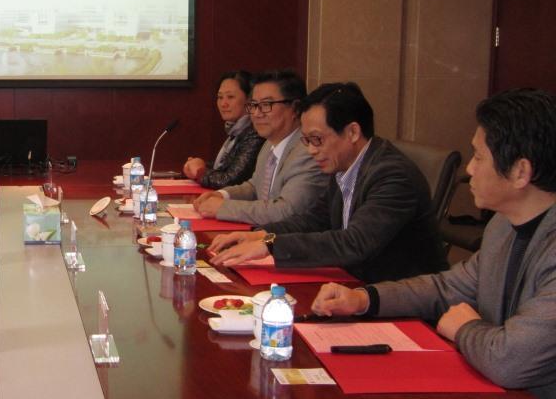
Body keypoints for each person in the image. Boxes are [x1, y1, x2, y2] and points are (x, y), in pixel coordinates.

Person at [310, 89, 556, 396]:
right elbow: (446, 287)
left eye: (479, 157)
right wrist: (363, 299)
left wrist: (464, 328)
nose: (470, 169)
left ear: (520, 172)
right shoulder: (503, 226)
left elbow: (510, 362)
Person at [208, 82, 447, 283]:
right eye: (306, 141)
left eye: (317, 139)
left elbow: (353, 243)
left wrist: (270, 246)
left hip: (395, 296)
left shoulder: (392, 175)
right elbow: (314, 220)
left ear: (352, 132)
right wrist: (259, 235)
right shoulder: (343, 164)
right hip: (353, 283)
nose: (311, 150)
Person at [192, 69, 327, 225]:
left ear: (295, 108)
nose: (256, 113)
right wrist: (222, 195)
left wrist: (223, 207)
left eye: (266, 105)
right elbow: (254, 187)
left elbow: (287, 211)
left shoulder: (308, 151)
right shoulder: (269, 143)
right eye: (254, 105)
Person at [182, 70, 265, 189]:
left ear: (249, 100)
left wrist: (200, 172)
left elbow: (230, 180)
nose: (223, 103)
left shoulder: (256, 133)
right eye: (220, 97)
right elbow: (225, 167)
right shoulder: (236, 130)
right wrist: (197, 165)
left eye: (230, 97)